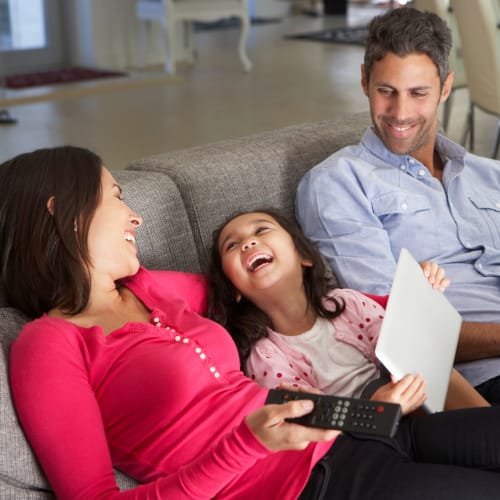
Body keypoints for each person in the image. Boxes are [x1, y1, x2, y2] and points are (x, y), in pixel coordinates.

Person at [3, 147, 500, 500]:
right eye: (116, 197)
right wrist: (247, 444)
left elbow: (282, 289)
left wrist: (404, 299)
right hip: (312, 487)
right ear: (64, 213)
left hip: (357, 429)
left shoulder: (151, 287)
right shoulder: (48, 344)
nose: (134, 218)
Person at [296, 6, 500, 404]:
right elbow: (398, 331)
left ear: (445, 88)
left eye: (418, 93)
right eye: (386, 91)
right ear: (364, 82)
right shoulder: (338, 184)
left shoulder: (490, 174)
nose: (400, 113)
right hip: (473, 386)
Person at [207, 208, 488, 413]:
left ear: (303, 256)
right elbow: (309, 417)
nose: (248, 243)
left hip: (404, 389)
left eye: (261, 230)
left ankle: (484, 418)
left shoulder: (347, 303)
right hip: (363, 430)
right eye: (232, 245)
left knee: (426, 369)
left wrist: (422, 298)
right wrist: (377, 408)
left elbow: (400, 346)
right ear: (235, 289)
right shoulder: (264, 355)